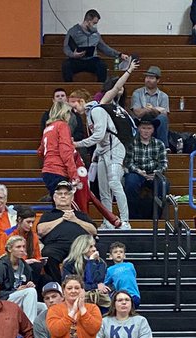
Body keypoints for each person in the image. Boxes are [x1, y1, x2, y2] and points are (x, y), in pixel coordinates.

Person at [78, 61, 139, 231]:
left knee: (114, 183)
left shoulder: (103, 106)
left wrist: (128, 71)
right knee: (104, 188)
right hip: (104, 149)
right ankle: (109, 220)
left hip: (116, 147)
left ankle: (125, 220)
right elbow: (100, 136)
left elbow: (115, 88)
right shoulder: (96, 111)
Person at [62, 9, 127, 86]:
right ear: (88, 21)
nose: (95, 25)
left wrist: (119, 54)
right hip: (77, 60)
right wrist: (73, 54)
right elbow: (66, 47)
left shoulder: (96, 34)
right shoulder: (73, 31)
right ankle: (69, 87)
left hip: (91, 60)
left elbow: (104, 47)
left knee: (102, 65)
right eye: (94, 23)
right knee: (66, 65)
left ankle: (100, 89)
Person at [0, 234, 44, 323]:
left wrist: (29, 285)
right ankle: (29, 329)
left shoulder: (24, 265)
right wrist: (15, 291)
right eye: (18, 247)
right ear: (10, 249)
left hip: (19, 298)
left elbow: (26, 287)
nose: (22, 249)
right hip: (4, 300)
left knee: (43, 308)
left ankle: (39, 331)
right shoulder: (2, 266)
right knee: (30, 292)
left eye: (23, 247)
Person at [124, 116, 169, 219]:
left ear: (153, 130)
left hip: (155, 173)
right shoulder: (132, 143)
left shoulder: (159, 144)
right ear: (139, 129)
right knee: (130, 183)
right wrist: (139, 171)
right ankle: (133, 216)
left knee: (164, 184)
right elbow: (128, 162)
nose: (146, 131)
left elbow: (164, 163)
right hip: (137, 173)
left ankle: (156, 216)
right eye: (143, 128)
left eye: (149, 128)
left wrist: (156, 173)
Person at [40, 102, 78, 199]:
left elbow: (40, 151)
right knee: (64, 205)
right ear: (65, 113)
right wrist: (74, 174)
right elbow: (65, 151)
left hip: (47, 171)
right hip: (59, 171)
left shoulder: (47, 128)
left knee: (56, 202)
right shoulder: (62, 126)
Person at [131, 66, 170, 147]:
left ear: (158, 80)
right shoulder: (137, 93)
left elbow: (164, 114)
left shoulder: (164, 96)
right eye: (147, 77)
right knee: (133, 118)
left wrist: (149, 109)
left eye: (151, 78)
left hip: (156, 123)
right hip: (141, 121)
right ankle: (134, 145)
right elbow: (137, 113)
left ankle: (163, 146)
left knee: (163, 118)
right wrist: (155, 109)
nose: (148, 80)